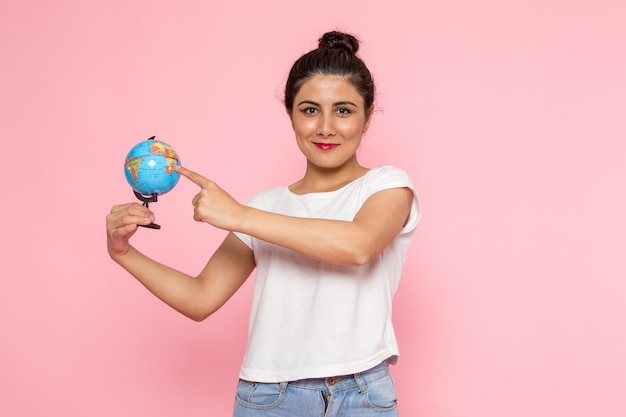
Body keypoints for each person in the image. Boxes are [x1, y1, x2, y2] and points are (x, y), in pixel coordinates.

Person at [106, 30, 421, 417]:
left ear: (367, 116)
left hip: (362, 396)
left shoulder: (387, 186)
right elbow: (201, 298)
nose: (325, 127)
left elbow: (359, 245)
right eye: (309, 110)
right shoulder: (266, 205)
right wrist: (123, 253)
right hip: (271, 399)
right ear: (290, 114)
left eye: (343, 110)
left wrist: (238, 215)